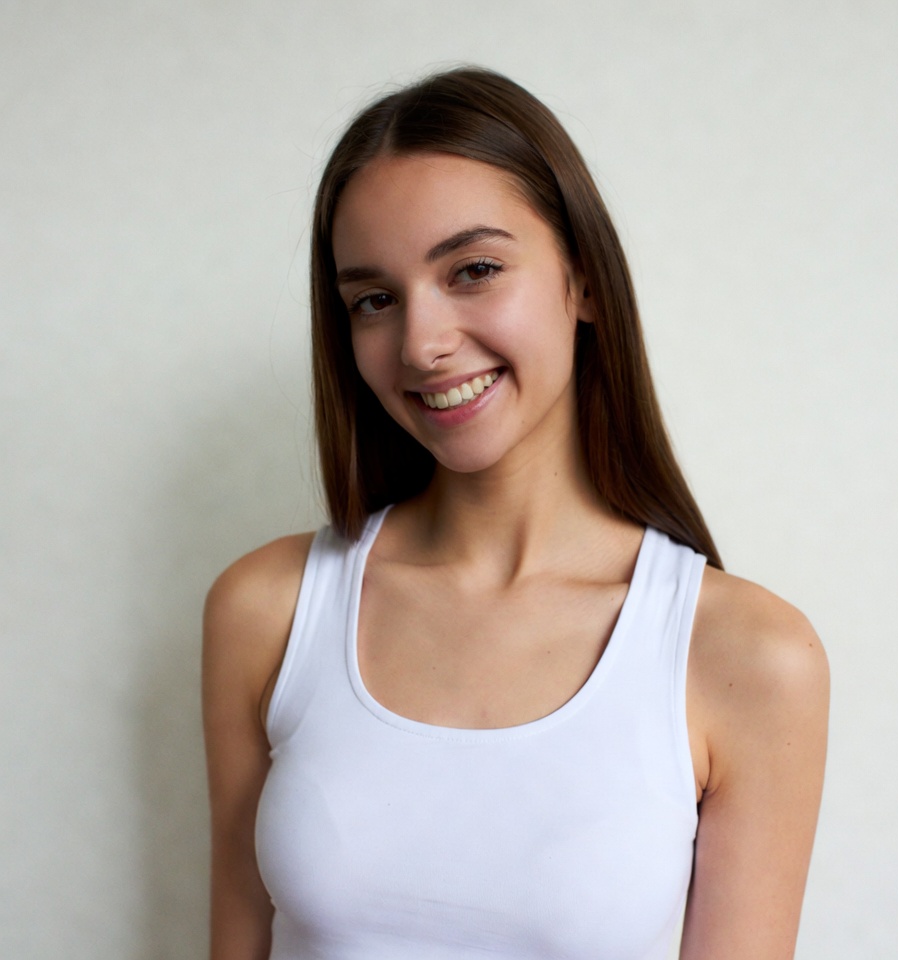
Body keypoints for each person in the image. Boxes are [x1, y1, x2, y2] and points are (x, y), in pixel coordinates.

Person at [202, 67, 829, 960]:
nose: (421, 343)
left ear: (585, 284)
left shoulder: (748, 657)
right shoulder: (266, 609)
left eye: (475, 270)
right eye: (373, 299)